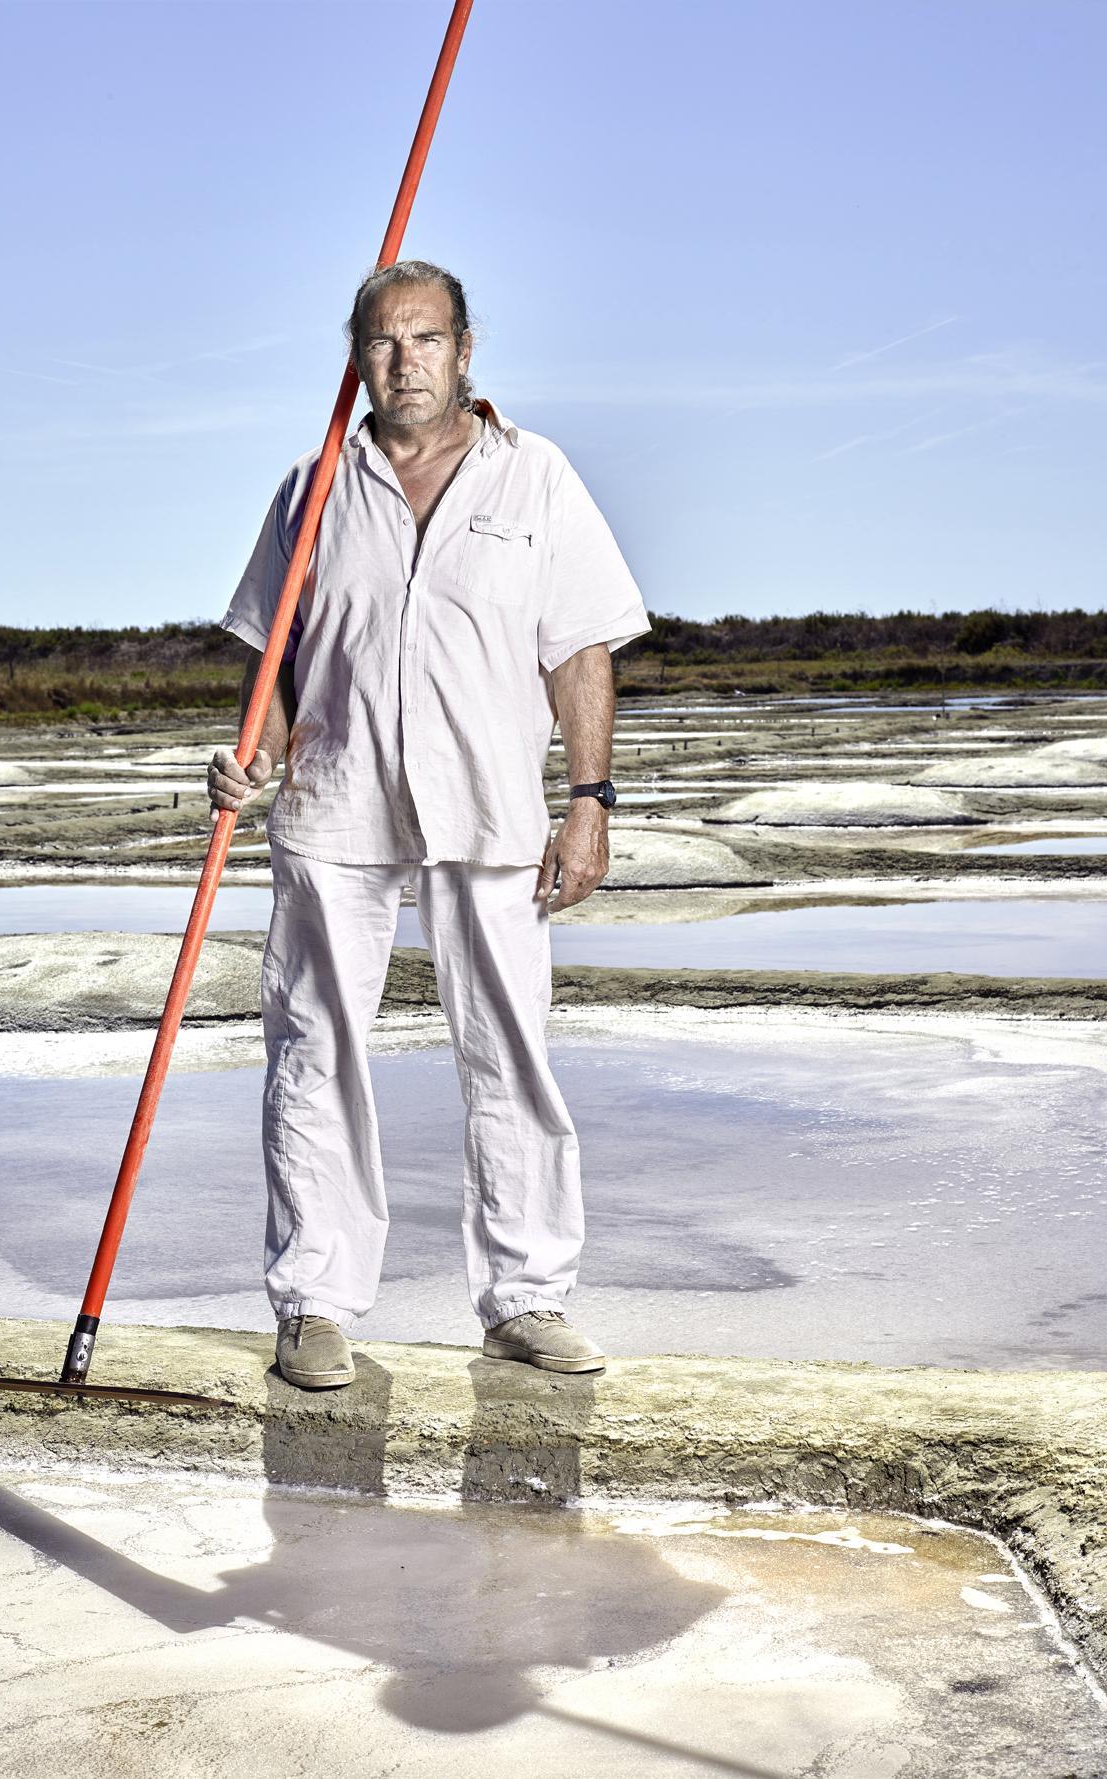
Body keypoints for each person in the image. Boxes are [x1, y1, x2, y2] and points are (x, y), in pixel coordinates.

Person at [211, 260, 651, 1390]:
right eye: (381, 342)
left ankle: (526, 1300)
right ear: (356, 357)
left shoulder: (535, 476)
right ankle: (314, 1304)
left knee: (508, 1054)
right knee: (314, 1051)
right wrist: (250, 757)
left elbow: (579, 649)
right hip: (333, 803)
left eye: (425, 339)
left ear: (465, 349)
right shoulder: (313, 486)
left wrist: (589, 802)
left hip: (489, 805)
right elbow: (278, 657)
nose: (403, 362)